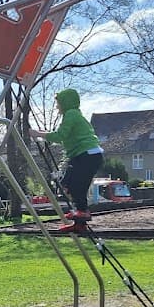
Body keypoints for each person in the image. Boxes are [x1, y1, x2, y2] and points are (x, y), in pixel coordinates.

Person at [31, 88, 103, 232]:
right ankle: (79, 223)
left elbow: (60, 136)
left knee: (77, 185)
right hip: (83, 155)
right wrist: (42, 134)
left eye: (59, 103)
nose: (57, 106)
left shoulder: (71, 114)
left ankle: (83, 211)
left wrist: (38, 134)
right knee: (67, 183)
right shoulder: (73, 115)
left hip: (87, 155)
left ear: (66, 102)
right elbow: (62, 134)